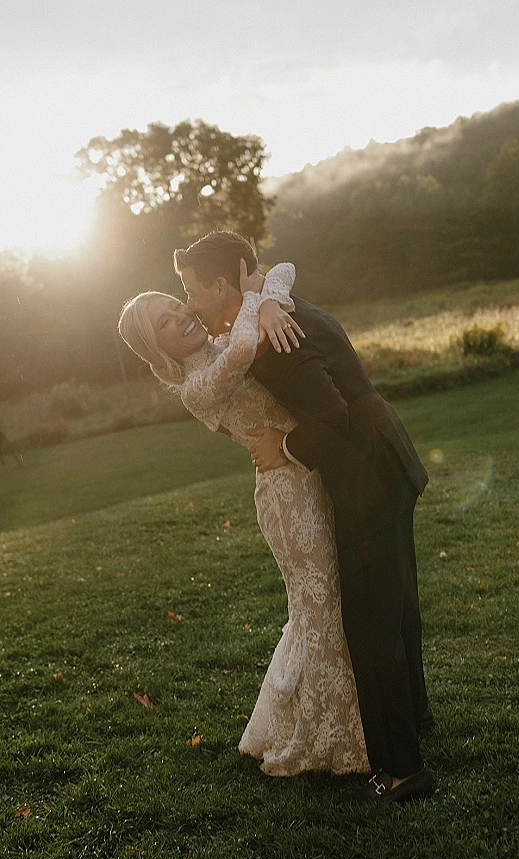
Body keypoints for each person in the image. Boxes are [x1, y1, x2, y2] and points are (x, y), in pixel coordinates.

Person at [174, 231, 434, 803]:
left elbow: (334, 418)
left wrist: (283, 448)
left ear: (223, 286)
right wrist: (262, 296)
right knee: (400, 604)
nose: (189, 302)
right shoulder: (276, 305)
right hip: (391, 459)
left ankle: (403, 771)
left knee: (369, 624)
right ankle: (416, 720)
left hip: (366, 476)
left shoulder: (274, 334)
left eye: (192, 290)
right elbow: (275, 276)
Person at [118, 262, 369, 777]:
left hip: (308, 468)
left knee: (322, 605)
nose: (182, 315)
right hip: (285, 497)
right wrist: (256, 300)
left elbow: (284, 267)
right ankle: (331, 737)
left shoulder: (229, 330)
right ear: (157, 348)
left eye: (175, 304)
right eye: (166, 322)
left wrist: (268, 297)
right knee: (319, 607)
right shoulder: (197, 386)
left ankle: (335, 716)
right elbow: (242, 351)